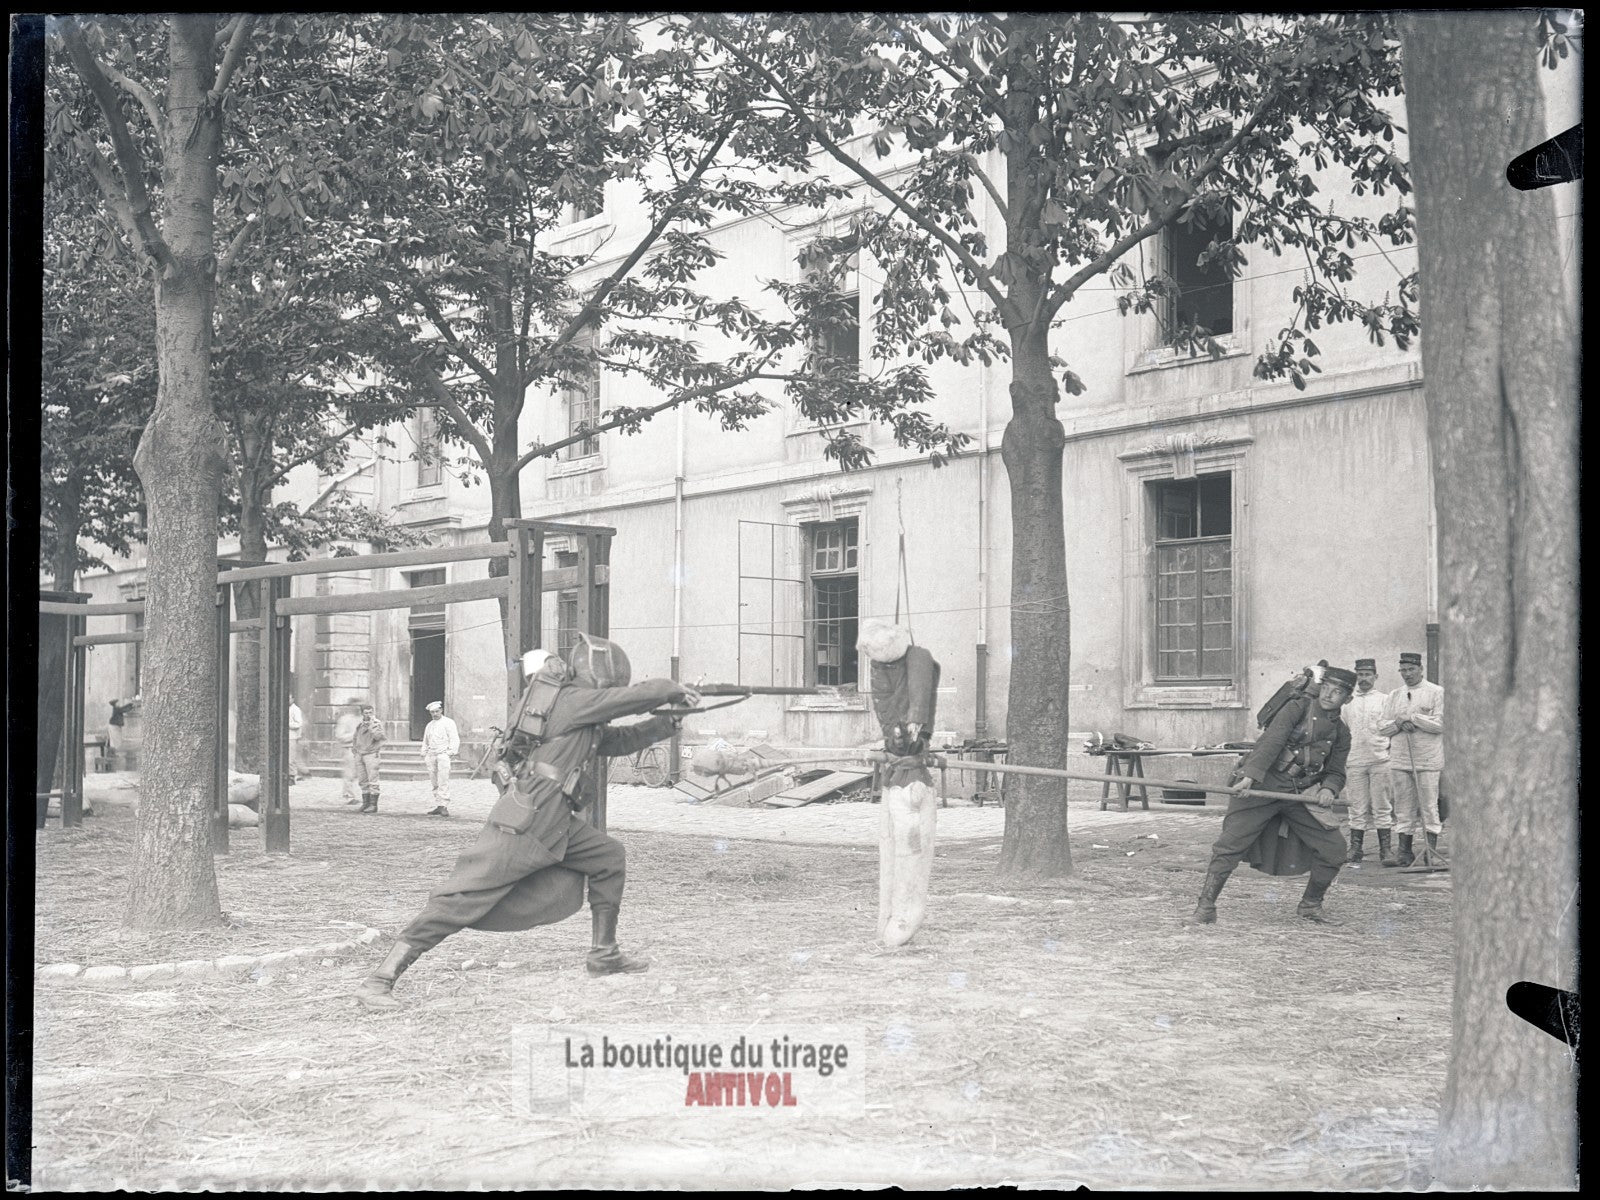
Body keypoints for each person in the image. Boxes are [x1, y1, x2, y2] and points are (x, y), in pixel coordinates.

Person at [354, 635, 699, 1010]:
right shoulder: (573, 700)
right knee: (460, 899)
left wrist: (672, 719)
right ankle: (380, 979)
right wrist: (672, 689)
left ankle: (604, 953)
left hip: (552, 817)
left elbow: (621, 740)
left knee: (608, 857)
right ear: (603, 673)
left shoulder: (582, 714)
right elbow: (634, 698)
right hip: (529, 818)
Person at [1186, 665, 1358, 926]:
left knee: (1334, 849)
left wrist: (1328, 789)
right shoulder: (1297, 708)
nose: (1328, 695)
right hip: (1262, 785)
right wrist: (1249, 776)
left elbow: (1336, 770)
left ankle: (1310, 906)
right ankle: (1206, 907)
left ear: (1347, 699)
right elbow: (1271, 742)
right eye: (1326, 688)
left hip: (1299, 793)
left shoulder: (1341, 732)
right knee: (1229, 845)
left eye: (1337, 692)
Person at [1378, 652, 1445, 866]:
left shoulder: (1436, 692)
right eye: (1403, 670)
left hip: (1427, 760)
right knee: (1403, 807)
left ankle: (1430, 851)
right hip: (1400, 759)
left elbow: (1441, 724)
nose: (1407, 674)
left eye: (1411, 669)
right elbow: (1382, 728)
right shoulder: (1395, 695)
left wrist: (1414, 718)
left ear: (1420, 669)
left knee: (1428, 806)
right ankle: (1404, 852)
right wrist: (1398, 724)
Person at [1341, 658, 1395, 865]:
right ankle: (1355, 849)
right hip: (1354, 760)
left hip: (1380, 759)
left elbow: (1392, 727)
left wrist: (1388, 748)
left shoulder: (1385, 700)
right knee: (1356, 806)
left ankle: (1386, 851)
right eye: (1360, 675)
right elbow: (1342, 730)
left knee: (1382, 806)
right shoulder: (1347, 702)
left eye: (1367, 675)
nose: (1363, 679)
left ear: (1375, 677)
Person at [420, 700, 460, 817]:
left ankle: (444, 806)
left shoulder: (449, 722)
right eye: (432, 712)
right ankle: (438, 804)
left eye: (437, 711)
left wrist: (450, 752)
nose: (435, 714)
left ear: (441, 710)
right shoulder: (429, 725)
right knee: (434, 781)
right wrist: (425, 753)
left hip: (443, 754)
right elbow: (425, 740)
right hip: (431, 755)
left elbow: (454, 738)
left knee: (443, 780)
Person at [353, 704, 386, 814]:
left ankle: (373, 805)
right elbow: (356, 737)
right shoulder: (360, 724)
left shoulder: (376, 724)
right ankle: (365, 803)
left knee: (373, 779)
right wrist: (355, 750)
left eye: (370, 712)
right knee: (363, 780)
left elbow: (378, 737)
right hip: (360, 754)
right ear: (362, 713)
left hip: (371, 754)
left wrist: (372, 726)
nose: (368, 715)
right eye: (366, 713)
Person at [333, 699, 363, 805]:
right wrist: (355, 735)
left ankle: (361, 795)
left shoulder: (364, 719)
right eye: (355, 706)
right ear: (350, 707)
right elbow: (340, 736)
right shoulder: (345, 720)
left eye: (360, 706)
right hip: (350, 749)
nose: (358, 708)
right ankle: (349, 796)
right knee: (349, 773)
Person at [287, 696, 306, 787]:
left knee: (291, 758)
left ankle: (292, 777)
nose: (287, 700)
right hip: (285, 736)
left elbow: (298, 723)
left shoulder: (296, 709)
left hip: (292, 736)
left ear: (293, 699)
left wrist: (287, 723)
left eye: (289, 698)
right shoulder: (286, 708)